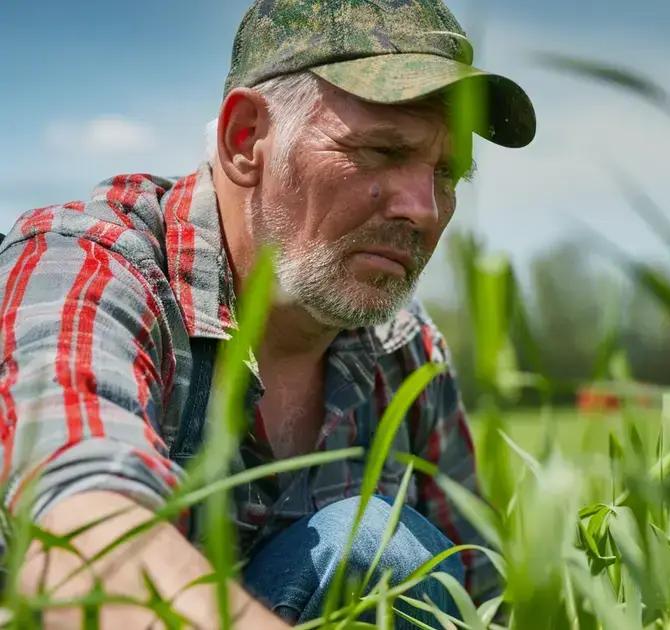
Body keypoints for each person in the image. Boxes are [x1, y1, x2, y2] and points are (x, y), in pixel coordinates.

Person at [0, 0, 535, 626]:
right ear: (246, 140)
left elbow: (487, 596)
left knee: (372, 543)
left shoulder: (405, 352)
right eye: (381, 152)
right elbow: (87, 541)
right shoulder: (83, 272)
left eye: (447, 173)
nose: (424, 208)